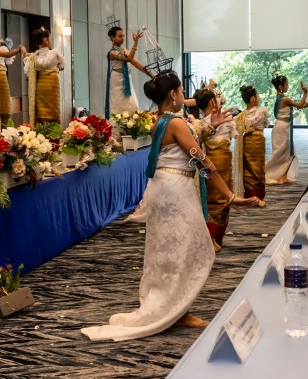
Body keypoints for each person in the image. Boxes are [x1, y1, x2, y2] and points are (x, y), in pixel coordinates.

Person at [82, 71, 254, 341]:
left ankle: (176, 307)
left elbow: (185, 145)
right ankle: (175, 309)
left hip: (164, 188)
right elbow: (201, 160)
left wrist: (209, 127)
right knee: (190, 247)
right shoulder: (175, 123)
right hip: (175, 191)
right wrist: (230, 196)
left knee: (169, 250)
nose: (185, 96)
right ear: (173, 94)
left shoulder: (161, 122)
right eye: (182, 91)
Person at [195, 89, 253, 248]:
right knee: (221, 199)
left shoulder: (199, 124)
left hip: (209, 165)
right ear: (212, 102)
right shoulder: (221, 121)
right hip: (218, 165)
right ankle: (211, 237)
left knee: (213, 199)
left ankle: (212, 237)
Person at [266, 75, 308, 185]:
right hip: (282, 129)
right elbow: (300, 105)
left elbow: (298, 105)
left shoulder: (282, 97)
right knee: (282, 154)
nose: (288, 86)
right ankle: (273, 173)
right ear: (281, 87)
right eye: (286, 85)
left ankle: (283, 176)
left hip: (282, 127)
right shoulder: (284, 99)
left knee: (287, 153)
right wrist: (305, 93)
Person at [236, 84, 269, 206]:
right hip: (257, 139)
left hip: (247, 140)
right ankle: (256, 196)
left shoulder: (242, 115)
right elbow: (266, 124)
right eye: (257, 96)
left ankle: (251, 194)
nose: (258, 98)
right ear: (253, 99)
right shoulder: (261, 111)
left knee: (249, 167)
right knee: (258, 168)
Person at [106, 25, 149, 117]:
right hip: (117, 80)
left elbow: (135, 62)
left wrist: (148, 72)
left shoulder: (125, 50)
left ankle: (132, 121)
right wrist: (135, 43)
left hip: (127, 79)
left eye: (123, 36)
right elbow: (129, 59)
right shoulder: (112, 53)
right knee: (118, 102)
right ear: (112, 38)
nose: (123, 38)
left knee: (131, 103)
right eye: (120, 36)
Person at [28, 27, 64, 124]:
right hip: (52, 85)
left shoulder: (34, 56)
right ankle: (53, 130)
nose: (51, 41)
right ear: (46, 40)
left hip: (40, 85)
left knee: (42, 113)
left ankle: (41, 130)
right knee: (53, 110)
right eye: (50, 38)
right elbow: (62, 66)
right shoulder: (54, 53)